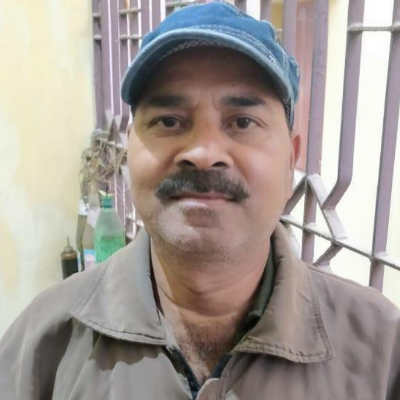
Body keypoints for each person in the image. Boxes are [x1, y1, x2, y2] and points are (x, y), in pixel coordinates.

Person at [0, 1, 399, 399]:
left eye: (243, 122)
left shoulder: (381, 353)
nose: (204, 153)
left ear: (290, 160)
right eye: (169, 121)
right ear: (129, 149)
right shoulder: (42, 347)